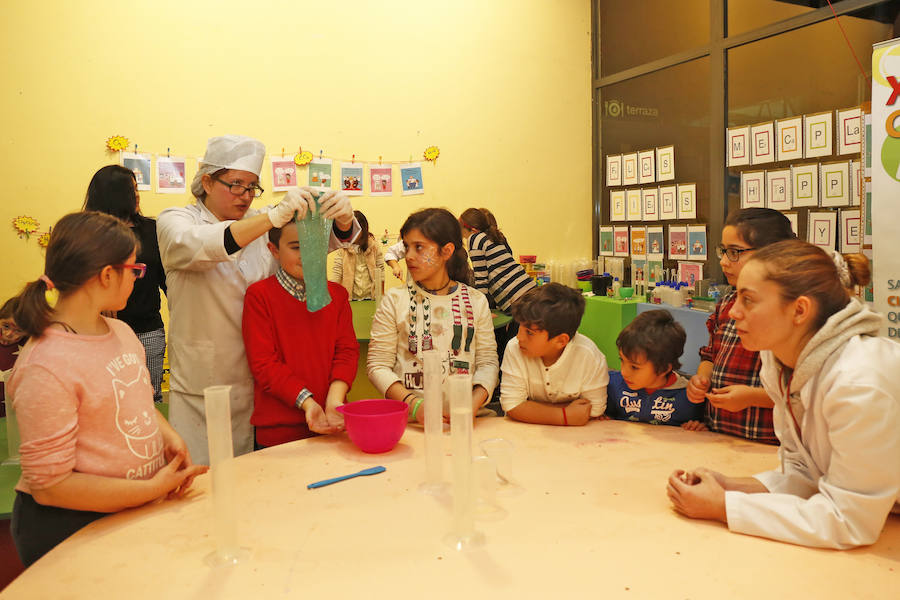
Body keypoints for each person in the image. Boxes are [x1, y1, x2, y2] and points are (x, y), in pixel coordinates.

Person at [667, 240, 900, 549]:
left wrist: (723, 506)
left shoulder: (858, 381)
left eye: (748, 300)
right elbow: (806, 474)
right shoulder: (779, 362)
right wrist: (731, 487)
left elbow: (849, 521)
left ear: (799, 310)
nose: (734, 311)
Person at [7, 212, 207, 567]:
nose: (137, 277)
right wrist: (150, 489)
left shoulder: (122, 333)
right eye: (135, 269)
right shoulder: (47, 362)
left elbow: (134, 401)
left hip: (125, 510)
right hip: (70, 527)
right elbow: (50, 485)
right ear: (107, 275)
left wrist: (168, 437)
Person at [157, 135, 358, 463]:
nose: (246, 196)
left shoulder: (264, 221)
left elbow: (309, 249)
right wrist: (272, 217)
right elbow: (204, 244)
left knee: (255, 483)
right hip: (203, 384)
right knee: (202, 482)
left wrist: (345, 220)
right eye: (236, 185)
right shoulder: (176, 221)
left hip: (264, 388)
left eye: (252, 187)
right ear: (206, 181)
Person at [367, 208, 498, 423]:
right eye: (407, 246)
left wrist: (473, 403)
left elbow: (488, 362)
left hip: (470, 422)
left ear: (446, 251)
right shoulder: (394, 300)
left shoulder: (475, 301)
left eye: (419, 247)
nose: (408, 256)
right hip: (411, 423)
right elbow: (377, 366)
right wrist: (415, 405)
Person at [242, 222, 359, 448]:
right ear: (274, 250)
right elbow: (264, 364)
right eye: (296, 247)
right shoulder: (259, 296)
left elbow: (346, 352)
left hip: (333, 427)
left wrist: (335, 401)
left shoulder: (337, 295)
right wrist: (307, 402)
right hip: (278, 434)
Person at [687, 208, 795, 444]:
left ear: (772, 253)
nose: (724, 262)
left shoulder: (789, 313)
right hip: (721, 436)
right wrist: (702, 380)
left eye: (735, 252)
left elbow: (802, 393)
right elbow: (711, 355)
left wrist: (751, 397)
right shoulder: (726, 301)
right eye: (723, 251)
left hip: (770, 443)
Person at [84, 165, 168, 402]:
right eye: (132, 189)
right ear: (114, 193)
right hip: (99, 331)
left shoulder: (152, 230)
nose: (138, 194)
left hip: (147, 330)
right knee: (107, 400)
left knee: (150, 398)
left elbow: (166, 279)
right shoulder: (89, 232)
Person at [499, 283, 608, 426]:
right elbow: (511, 405)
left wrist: (529, 407)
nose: (519, 336)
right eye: (520, 325)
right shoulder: (515, 348)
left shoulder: (589, 356)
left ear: (561, 341)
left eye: (530, 332)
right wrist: (564, 414)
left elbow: (593, 410)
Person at [605, 310, 705, 429]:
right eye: (622, 360)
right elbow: (606, 416)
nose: (624, 372)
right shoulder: (612, 385)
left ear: (663, 369)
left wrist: (697, 426)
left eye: (634, 367)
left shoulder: (689, 397)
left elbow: (701, 428)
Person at [459, 207, 535, 315]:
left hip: (515, 296)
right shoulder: (491, 236)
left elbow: (481, 278)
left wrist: (483, 310)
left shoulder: (474, 239)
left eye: (460, 229)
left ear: (473, 230)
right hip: (527, 287)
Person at [329, 210, 385, 299]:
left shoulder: (373, 246)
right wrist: (332, 294)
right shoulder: (343, 248)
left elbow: (381, 271)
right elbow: (337, 272)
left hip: (371, 296)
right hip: (351, 297)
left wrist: (381, 295)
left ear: (362, 229)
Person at [0, 297, 27, 417]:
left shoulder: (30, 346)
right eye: (6, 326)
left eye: (18, 331)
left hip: (14, 416)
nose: (8, 334)